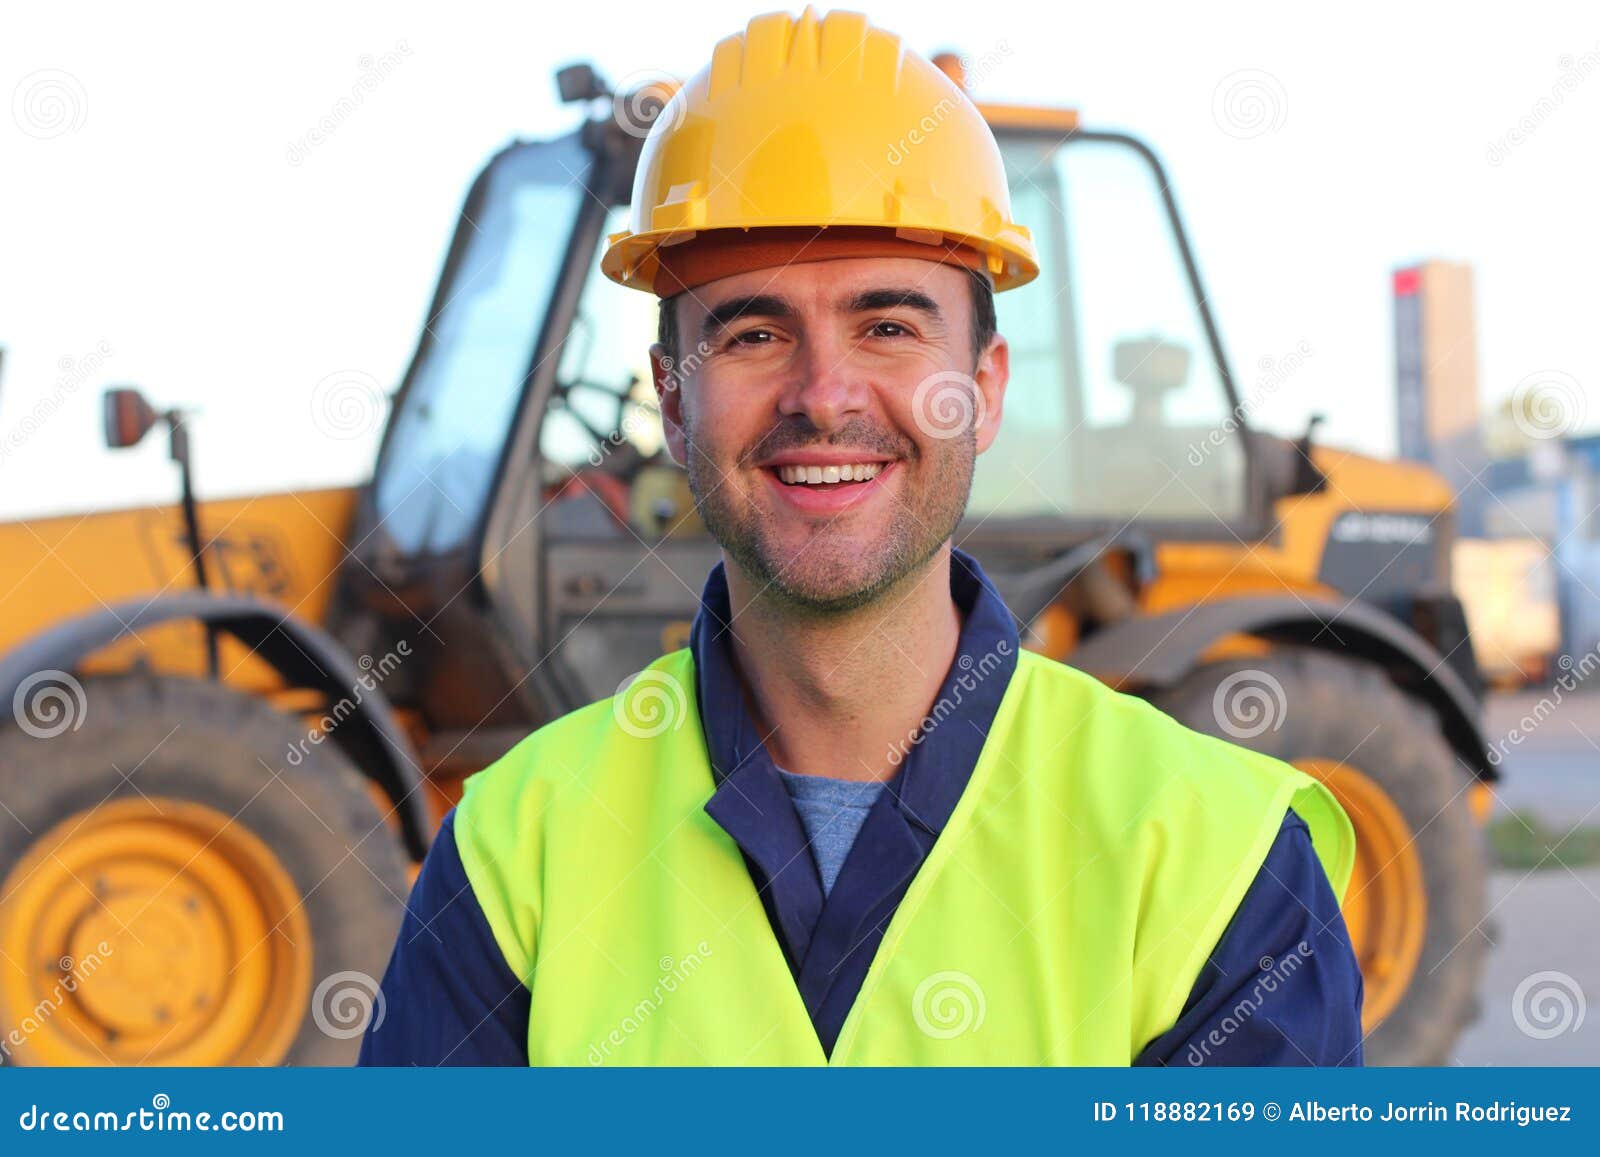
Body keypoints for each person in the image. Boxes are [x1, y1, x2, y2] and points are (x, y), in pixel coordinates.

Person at [360, 6, 1363, 1067]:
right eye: (753, 333)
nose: (823, 395)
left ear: (981, 387)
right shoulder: (518, 848)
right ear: (671, 397)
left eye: (886, 326)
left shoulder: (1217, 858)